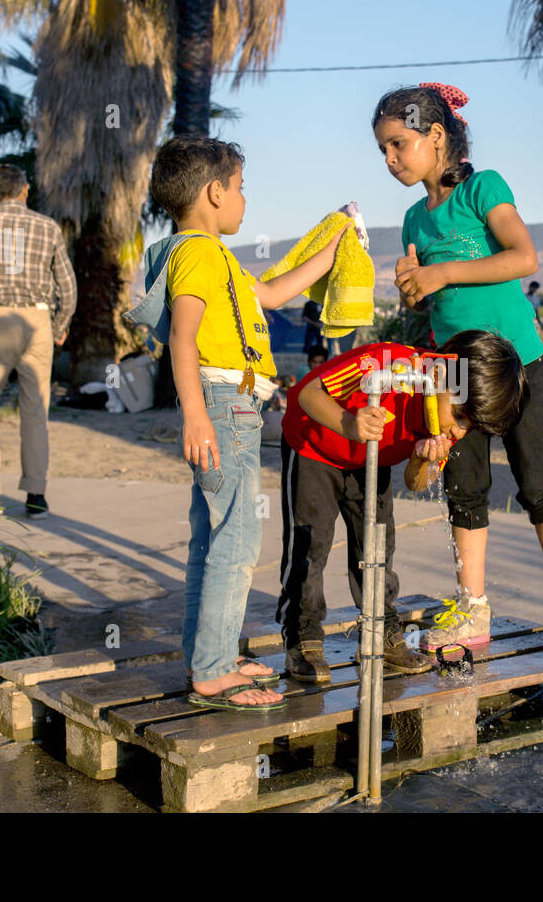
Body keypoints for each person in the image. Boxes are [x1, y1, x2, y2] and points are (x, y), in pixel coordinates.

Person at [374, 82, 543, 664]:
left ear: (435, 135)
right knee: (464, 487)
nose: (390, 159)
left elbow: (524, 257)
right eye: (383, 151)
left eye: (398, 144)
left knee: (538, 482)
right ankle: (472, 606)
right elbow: (436, 303)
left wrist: (441, 275)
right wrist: (414, 287)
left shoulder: (483, 188)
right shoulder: (416, 220)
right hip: (452, 374)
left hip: (516, 362)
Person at [149, 134, 350, 712]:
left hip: (229, 406)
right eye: (240, 188)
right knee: (236, 541)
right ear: (214, 192)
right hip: (220, 406)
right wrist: (194, 416)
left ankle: (206, 655)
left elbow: (272, 293)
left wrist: (330, 251)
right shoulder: (197, 254)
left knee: (212, 539)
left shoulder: (215, 258)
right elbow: (183, 338)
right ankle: (212, 672)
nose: (245, 200)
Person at [277, 330, 524, 683]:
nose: (458, 431)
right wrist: (349, 422)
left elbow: (415, 482)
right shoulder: (387, 364)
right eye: (460, 415)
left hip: (370, 460)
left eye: (471, 425)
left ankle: (380, 631)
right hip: (314, 445)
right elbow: (307, 393)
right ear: (442, 376)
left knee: (377, 545)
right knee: (310, 544)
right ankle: (302, 633)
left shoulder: (447, 423)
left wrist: (420, 460)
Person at [0, 165, 77, 520]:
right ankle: (36, 495)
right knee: (35, 411)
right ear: (26, 190)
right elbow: (68, 288)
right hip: (37, 320)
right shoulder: (48, 227)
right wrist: (58, 325)